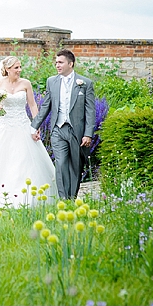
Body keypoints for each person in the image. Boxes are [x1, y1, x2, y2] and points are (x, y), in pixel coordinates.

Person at [0, 56, 57, 208]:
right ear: (7, 69)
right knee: (1, 160)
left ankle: (27, 198)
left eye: (20, 67)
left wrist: (36, 124)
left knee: (24, 160)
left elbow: (33, 106)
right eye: (16, 68)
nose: (19, 70)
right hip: (4, 126)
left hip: (23, 125)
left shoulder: (25, 83)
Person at [31, 49, 95, 199]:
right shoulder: (51, 81)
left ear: (70, 64)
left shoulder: (85, 83)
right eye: (56, 62)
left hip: (76, 132)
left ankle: (71, 198)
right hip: (57, 130)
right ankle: (63, 199)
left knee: (75, 166)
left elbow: (91, 111)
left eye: (60, 62)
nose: (57, 65)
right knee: (60, 164)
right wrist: (34, 126)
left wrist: (88, 134)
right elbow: (46, 106)